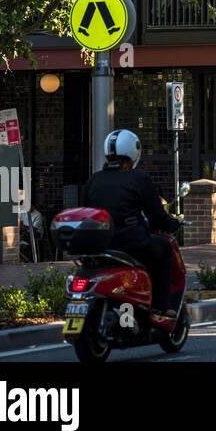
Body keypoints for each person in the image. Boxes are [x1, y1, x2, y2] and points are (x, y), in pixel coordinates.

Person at [84, 130, 183, 314]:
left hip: (100, 244)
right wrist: (173, 224)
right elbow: (157, 216)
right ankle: (161, 307)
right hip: (130, 242)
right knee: (165, 249)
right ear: (133, 152)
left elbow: (87, 211)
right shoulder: (139, 178)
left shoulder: (93, 180)